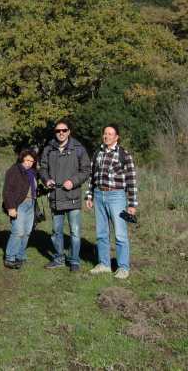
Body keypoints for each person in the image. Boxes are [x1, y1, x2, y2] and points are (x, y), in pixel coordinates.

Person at [86, 124, 138, 279]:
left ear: (116, 137)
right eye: (105, 133)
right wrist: (89, 196)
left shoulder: (124, 155)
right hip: (99, 194)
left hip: (117, 197)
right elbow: (91, 176)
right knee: (101, 233)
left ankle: (123, 268)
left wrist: (132, 204)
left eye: (110, 134)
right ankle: (104, 264)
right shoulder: (98, 153)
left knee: (120, 234)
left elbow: (131, 180)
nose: (106, 136)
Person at [40, 119, 91, 272]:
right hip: (55, 197)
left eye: (64, 130)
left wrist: (73, 181)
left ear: (69, 131)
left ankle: (74, 261)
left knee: (75, 232)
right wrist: (46, 179)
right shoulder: (49, 148)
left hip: (72, 197)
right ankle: (58, 259)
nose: (61, 133)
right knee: (56, 232)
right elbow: (42, 168)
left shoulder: (79, 149)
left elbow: (86, 170)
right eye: (58, 131)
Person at [2, 149, 39, 269]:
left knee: (27, 232)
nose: (29, 163)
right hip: (19, 204)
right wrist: (11, 207)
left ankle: (20, 255)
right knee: (18, 232)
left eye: (32, 161)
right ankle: (10, 258)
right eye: (27, 160)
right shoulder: (14, 170)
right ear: (22, 158)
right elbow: (7, 190)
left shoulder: (32, 172)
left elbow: (32, 188)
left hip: (31, 203)